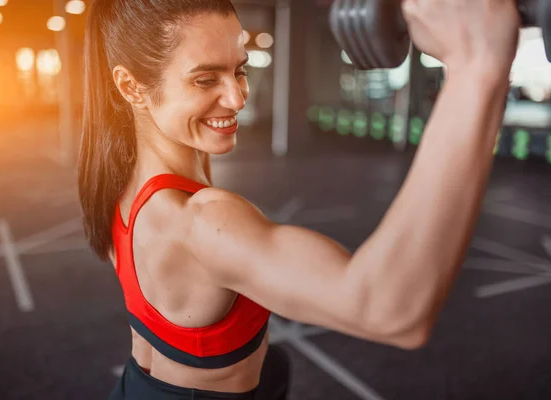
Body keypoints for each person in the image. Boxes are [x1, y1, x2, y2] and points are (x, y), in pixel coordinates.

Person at [77, 0, 520, 398]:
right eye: (205, 78)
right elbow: (389, 310)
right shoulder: (203, 222)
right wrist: (475, 67)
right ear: (132, 87)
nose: (237, 97)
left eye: (240, 69)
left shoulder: (120, 184)